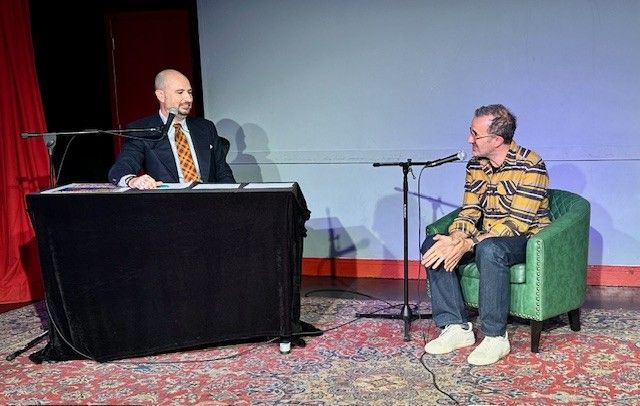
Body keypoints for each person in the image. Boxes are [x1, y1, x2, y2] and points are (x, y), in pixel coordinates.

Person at [420, 104, 551, 366]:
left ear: (497, 140)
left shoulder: (531, 165)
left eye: (475, 134)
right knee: (433, 244)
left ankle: (495, 337)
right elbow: (470, 210)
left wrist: (469, 243)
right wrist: (457, 238)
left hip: (526, 240)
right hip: (486, 236)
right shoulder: (476, 165)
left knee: (490, 250)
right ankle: (456, 326)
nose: (469, 139)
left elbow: (516, 224)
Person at [108, 69, 235, 189]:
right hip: (167, 201)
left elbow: (223, 172)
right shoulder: (143, 130)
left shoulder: (206, 127)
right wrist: (132, 180)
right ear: (161, 96)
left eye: (189, 92)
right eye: (180, 92)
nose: (188, 99)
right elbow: (121, 169)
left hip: (208, 200)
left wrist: (232, 198)